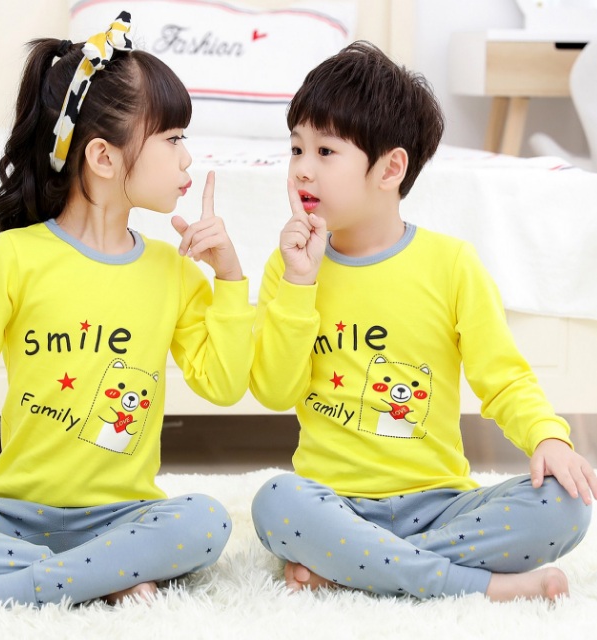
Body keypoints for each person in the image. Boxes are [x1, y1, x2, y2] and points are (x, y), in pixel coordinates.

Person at [0, 12, 254, 617]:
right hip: (12, 515)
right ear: (103, 157)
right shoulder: (17, 257)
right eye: (173, 138)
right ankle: (101, 577)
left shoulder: (173, 271)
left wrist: (229, 276)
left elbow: (223, 384)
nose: (187, 158)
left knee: (205, 522)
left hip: (122, 516)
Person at [249, 41, 596, 603]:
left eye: (325, 151)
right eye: (296, 148)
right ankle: (476, 585)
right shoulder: (288, 267)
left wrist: (548, 436)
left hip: (441, 504)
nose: (302, 169)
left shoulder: (451, 264)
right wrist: (299, 284)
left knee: (567, 504)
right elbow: (274, 388)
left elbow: (503, 379)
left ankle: (358, 566)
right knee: (275, 503)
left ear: (390, 168)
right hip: (334, 504)